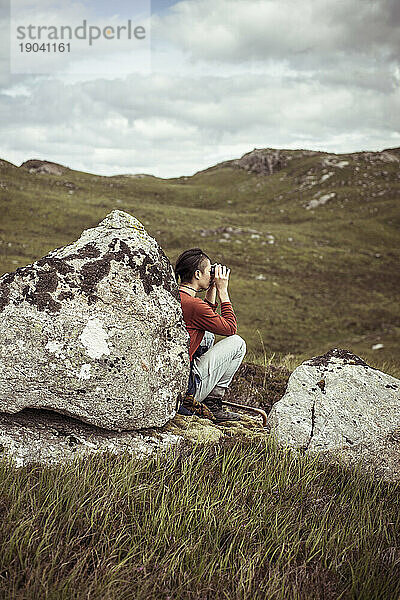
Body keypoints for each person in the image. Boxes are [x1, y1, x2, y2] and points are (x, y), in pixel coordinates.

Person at [175, 248, 247, 422]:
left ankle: (206, 397)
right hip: (188, 390)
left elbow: (204, 318)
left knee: (206, 335)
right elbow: (230, 328)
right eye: (209, 271)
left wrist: (211, 286)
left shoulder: (177, 296)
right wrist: (223, 292)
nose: (211, 275)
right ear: (198, 274)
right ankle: (213, 403)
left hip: (175, 376)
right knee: (237, 343)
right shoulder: (194, 305)